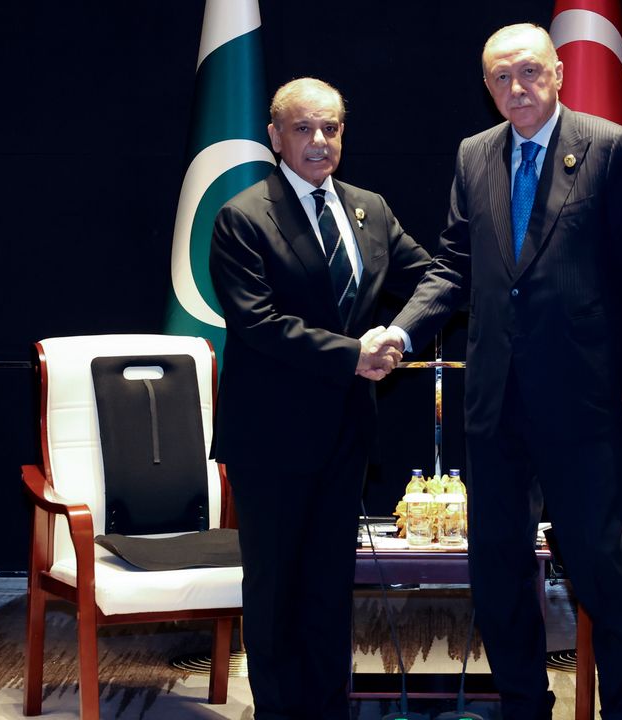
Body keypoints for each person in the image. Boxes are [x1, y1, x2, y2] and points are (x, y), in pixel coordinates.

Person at [371, 23, 622, 719]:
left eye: (529, 71)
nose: (517, 87)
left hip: (585, 400)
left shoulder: (610, 146)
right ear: (487, 86)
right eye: (501, 77)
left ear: (558, 72)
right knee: (498, 573)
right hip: (496, 401)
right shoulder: (475, 154)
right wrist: (401, 330)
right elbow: (454, 265)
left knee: (599, 568)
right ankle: (524, 707)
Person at [209, 77, 431, 720]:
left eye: (330, 128)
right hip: (271, 439)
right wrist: (353, 354)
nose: (318, 140)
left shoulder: (370, 209)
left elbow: (432, 279)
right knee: (277, 589)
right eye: (303, 128)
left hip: (346, 434)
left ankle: (330, 709)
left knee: (331, 589)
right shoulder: (243, 216)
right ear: (275, 137)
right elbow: (257, 323)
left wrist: (398, 334)